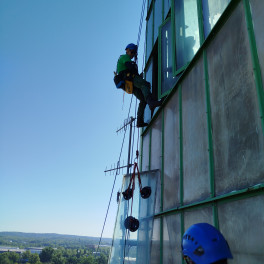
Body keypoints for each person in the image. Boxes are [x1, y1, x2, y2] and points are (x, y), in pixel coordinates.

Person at [115, 43, 162, 127]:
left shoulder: (124, 59)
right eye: (133, 52)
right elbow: (130, 67)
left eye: (134, 53)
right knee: (145, 84)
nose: (133, 55)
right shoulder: (125, 57)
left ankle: (139, 121)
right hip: (129, 79)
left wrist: (137, 73)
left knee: (143, 99)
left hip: (128, 84)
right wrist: (135, 69)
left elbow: (131, 68)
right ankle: (151, 102)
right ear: (128, 50)